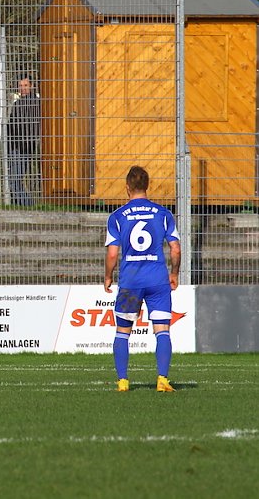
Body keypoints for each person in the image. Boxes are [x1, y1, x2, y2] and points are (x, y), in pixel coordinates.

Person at [104, 165, 181, 393]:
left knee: (122, 332)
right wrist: (174, 273)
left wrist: (108, 276)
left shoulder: (117, 217)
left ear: (127, 187)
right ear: (148, 186)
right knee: (162, 330)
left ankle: (123, 382)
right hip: (158, 281)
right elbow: (175, 249)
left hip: (130, 282)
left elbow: (112, 254)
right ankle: (162, 379)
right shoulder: (163, 214)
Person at [6, 73, 41, 206]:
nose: (23, 88)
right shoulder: (18, 103)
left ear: (32, 86)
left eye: (25, 85)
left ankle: (28, 206)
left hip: (22, 147)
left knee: (14, 181)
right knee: (13, 180)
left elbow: (26, 127)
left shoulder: (35, 104)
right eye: (20, 86)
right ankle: (22, 206)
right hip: (15, 146)